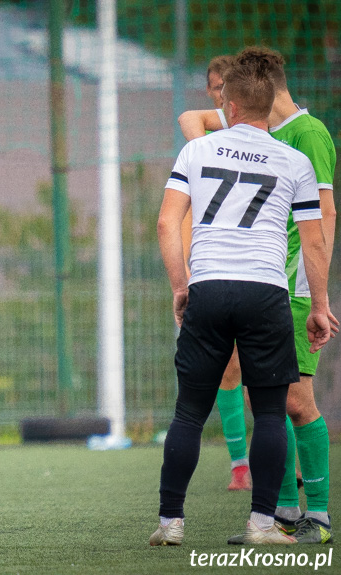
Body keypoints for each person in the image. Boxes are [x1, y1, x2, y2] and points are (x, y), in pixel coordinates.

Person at [150, 57, 335, 546]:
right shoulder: (293, 160)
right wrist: (319, 304)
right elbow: (313, 241)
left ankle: (170, 524)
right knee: (271, 413)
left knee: (189, 412)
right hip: (267, 292)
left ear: (228, 105)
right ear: (267, 105)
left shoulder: (199, 150)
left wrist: (180, 285)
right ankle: (262, 525)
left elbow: (168, 224)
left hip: (209, 287)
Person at [182, 54, 253, 492]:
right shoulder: (206, 143)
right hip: (216, 268)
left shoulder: (274, 138)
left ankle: (289, 464)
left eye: (227, 85)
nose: (221, 92)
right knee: (228, 367)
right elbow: (189, 119)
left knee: (273, 373)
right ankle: (241, 466)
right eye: (215, 86)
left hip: (265, 267)